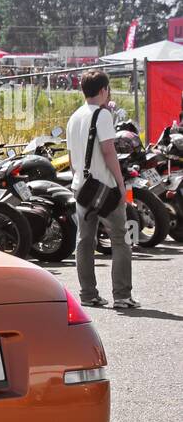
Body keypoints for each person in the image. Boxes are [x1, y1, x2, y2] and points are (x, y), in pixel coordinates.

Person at [67, 69, 137, 309]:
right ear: (103, 90)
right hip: (104, 189)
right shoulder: (102, 115)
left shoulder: (74, 117)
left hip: (82, 190)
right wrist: (120, 184)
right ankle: (122, 296)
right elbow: (109, 151)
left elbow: (71, 157)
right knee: (120, 239)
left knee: (84, 241)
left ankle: (88, 294)